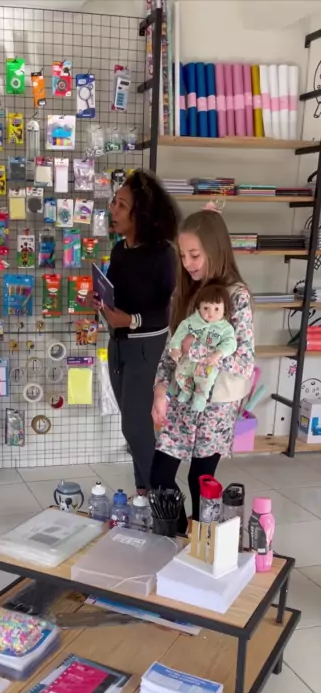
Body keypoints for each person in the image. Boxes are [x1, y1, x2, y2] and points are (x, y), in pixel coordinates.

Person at [151, 209, 255, 532]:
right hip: (182, 398)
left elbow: (244, 362)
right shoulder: (186, 292)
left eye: (194, 255)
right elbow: (171, 350)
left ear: (215, 249)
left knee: (202, 481)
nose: (187, 263)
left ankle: (201, 545)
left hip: (217, 407)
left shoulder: (236, 296)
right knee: (159, 477)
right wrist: (159, 389)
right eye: (183, 256)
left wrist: (198, 352)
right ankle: (177, 534)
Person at [91, 170, 179, 494]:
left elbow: (166, 311)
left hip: (146, 348)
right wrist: (100, 301)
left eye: (122, 205)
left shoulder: (163, 254)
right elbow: (117, 298)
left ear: (140, 214)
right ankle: (144, 493)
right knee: (132, 428)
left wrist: (131, 321)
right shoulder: (120, 250)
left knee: (136, 427)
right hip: (118, 345)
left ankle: (164, 498)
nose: (113, 209)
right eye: (114, 202)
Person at [168, 282, 237, 411]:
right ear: (198, 306)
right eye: (206, 308)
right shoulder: (191, 322)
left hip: (208, 360)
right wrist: (175, 347)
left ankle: (200, 397)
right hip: (189, 358)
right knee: (180, 373)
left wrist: (219, 353)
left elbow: (230, 343)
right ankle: (187, 390)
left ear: (225, 309)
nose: (210, 313)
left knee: (205, 380)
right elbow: (179, 334)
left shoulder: (225, 328)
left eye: (216, 309)